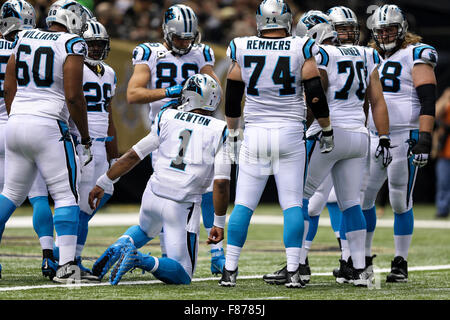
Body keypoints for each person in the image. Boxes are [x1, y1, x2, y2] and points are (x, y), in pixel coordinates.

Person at [219, 0, 334, 289]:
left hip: (256, 132)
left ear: (260, 20)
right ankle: (294, 271)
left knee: (244, 204)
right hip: (289, 132)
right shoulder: (301, 46)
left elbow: (232, 95)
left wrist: (233, 132)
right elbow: (315, 92)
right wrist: (326, 127)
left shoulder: (242, 45)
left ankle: (229, 270)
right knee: (292, 204)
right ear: (287, 19)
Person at [89, 74, 230, 285]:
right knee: (183, 274)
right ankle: (141, 260)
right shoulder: (219, 129)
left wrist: (104, 181)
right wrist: (218, 223)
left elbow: (133, 155)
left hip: (152, 194)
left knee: (145, 229)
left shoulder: (167, 116)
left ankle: (121, 244)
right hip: (181, 203)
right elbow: (220, 183)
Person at [125, 4, 226, 275]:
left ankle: (216, 251)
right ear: (166, 33)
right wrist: (169, 91)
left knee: (207, 184)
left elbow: (214, 88)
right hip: (166, 130)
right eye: (179, 37)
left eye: (188, 37)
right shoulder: (150, 52)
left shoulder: (201, 53)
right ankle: (168, 254)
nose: (184, 42)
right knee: (170, 197)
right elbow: (133, 94)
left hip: (196, 127)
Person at [0, 0, 92, 283]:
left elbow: (8, 86)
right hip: (48, 123)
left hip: (15, 123)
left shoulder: (24, 36)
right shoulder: (72, 44)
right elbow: (74, 96)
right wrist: (85, 138)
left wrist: (20, 115)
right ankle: (66, 268)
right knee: (66, 195)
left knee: (11, 195)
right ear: (72, 19)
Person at [34, 18, 119, 281]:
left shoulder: (110, 72)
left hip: (100, 146)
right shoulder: (71, 66)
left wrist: (113, 148)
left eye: (99, 45)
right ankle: (70, 258)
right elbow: (70, 101)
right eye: (91, 45)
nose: (94, 50)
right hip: (80, 143)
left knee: (103, 193)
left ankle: (65, 252)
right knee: (81, 205)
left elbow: (108, 113)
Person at [362, 4, 438, 283]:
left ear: (402, 28)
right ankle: (363, 258)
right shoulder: (368, 55)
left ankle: (400, 261)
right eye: (380, 30)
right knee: (363, 200)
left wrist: (425, 136)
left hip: (404, 135)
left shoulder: (417, 53)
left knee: (399, 200)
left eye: (390, 29)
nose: (384, 35)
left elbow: (428, 98)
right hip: (372, 136)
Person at [434, 88, 450, 218]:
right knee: (443, 182)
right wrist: (445, 97)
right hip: (446, 151)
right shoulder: (447, 104)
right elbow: (434, 114)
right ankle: (442, 210)